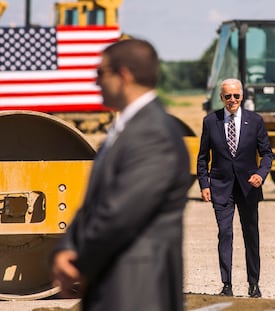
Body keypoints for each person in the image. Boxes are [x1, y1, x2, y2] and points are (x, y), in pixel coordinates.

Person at [51, 39, 191, 311]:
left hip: (140, 290)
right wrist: (65, 248)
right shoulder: (126, 130)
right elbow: (93, 203)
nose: (95, 83)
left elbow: (121, 213)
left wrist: (79, 264)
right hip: (114, 285)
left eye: (100, 73)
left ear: (124, 75)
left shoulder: (154, 134)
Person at [196, 78, 273, 298]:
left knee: (251, 235)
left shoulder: (255, 121)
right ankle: (227, 284)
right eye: (227, 96)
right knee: (225, 233)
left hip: (248, 188)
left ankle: (254, 283)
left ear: (242, 96)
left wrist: (260, 174)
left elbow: (267, 153)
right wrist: (204, 184)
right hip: (220, 187)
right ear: (221, 98)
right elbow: (203, 157)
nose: (232, 100)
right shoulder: (210, 121)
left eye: (236, 96)